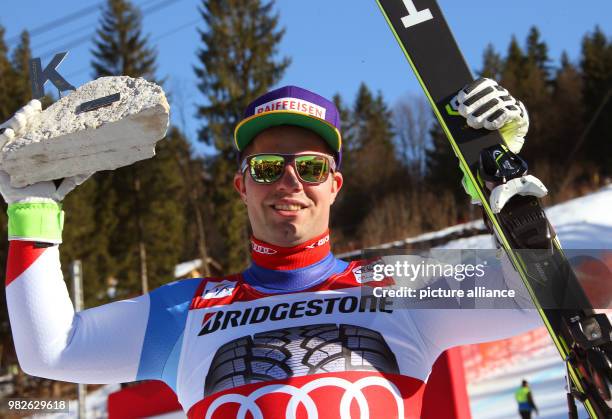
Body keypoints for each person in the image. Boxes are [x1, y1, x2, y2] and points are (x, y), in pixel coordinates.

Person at [3, 81, 541, 418]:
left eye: (310, 168)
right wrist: (31, 210)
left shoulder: (397, 290)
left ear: (335, 185)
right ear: (242, 185)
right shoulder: (184, 313)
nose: (289, 182)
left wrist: (498, 179)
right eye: (266, 168)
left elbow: (543, 293)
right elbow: (53, 350)